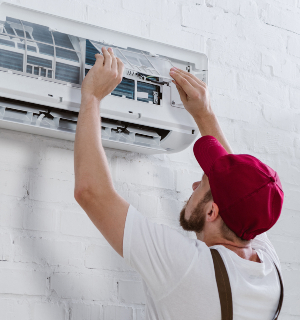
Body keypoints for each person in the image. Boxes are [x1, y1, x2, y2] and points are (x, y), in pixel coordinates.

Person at [74, 46, 284, 319]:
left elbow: (91, 193)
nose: (193, 187)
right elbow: (242, 189)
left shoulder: (187, 268)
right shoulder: (270, 270)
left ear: (212, 212)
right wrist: (204, 113)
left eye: (203, 184)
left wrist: (92, 97)